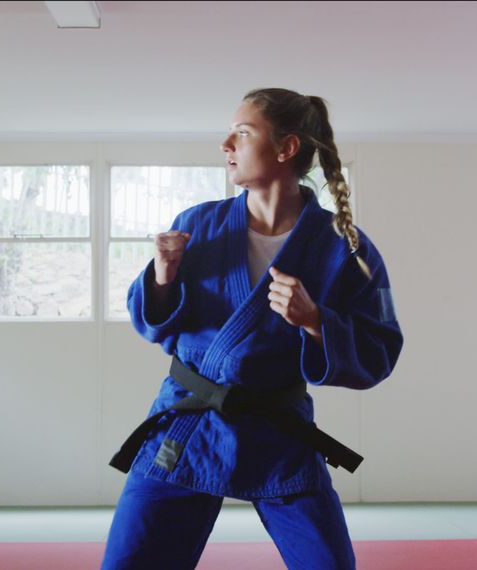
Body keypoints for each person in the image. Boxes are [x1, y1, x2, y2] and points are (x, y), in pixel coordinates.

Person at [100, 88, 403, 569]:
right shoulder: (198, 225)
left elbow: (381, 349)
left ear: (286, 148)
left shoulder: (347, 249)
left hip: (280, 433)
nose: (226, 144)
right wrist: (161, 278)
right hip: (188, 424)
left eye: (242, 133)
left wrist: (315, 321)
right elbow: (154, 327)